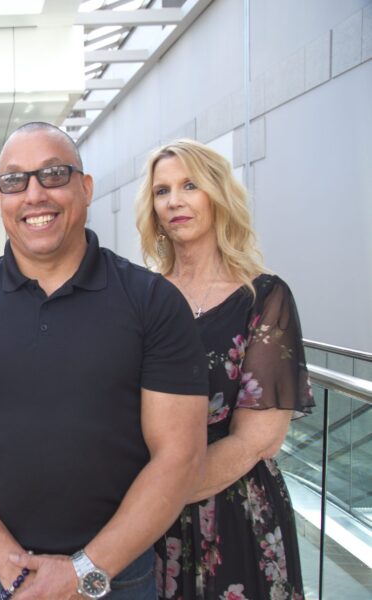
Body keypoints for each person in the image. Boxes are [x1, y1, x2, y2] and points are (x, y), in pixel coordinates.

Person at [0, 122, 210, 600]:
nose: (34, 194)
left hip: (116, 577)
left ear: (85, 188)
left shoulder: (153, 302)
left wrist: (84, 572)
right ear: (0, 197)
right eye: (14, 180)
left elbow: (180, 455)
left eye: (52, 174)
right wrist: (12, 568)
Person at [135, 139, 313, 600]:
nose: (174, 200)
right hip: (144, 522)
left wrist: (158, 496)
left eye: (190, 185)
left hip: (236, 514)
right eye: (162, 190)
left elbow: (260, 438)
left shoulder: (265, 297)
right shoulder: (142, 297)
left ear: (218, 194)